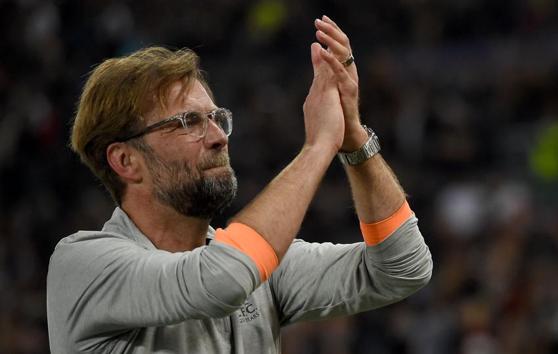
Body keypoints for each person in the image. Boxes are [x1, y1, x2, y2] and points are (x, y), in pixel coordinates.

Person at [47, 16, 433, 353]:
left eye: (216, 118)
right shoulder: (83, 265)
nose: (218, 136)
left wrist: (353, 139)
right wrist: (317, 148)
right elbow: (220, 279)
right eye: (188, 123)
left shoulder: (260, 267)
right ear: (126, 161)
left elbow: (402, 268)